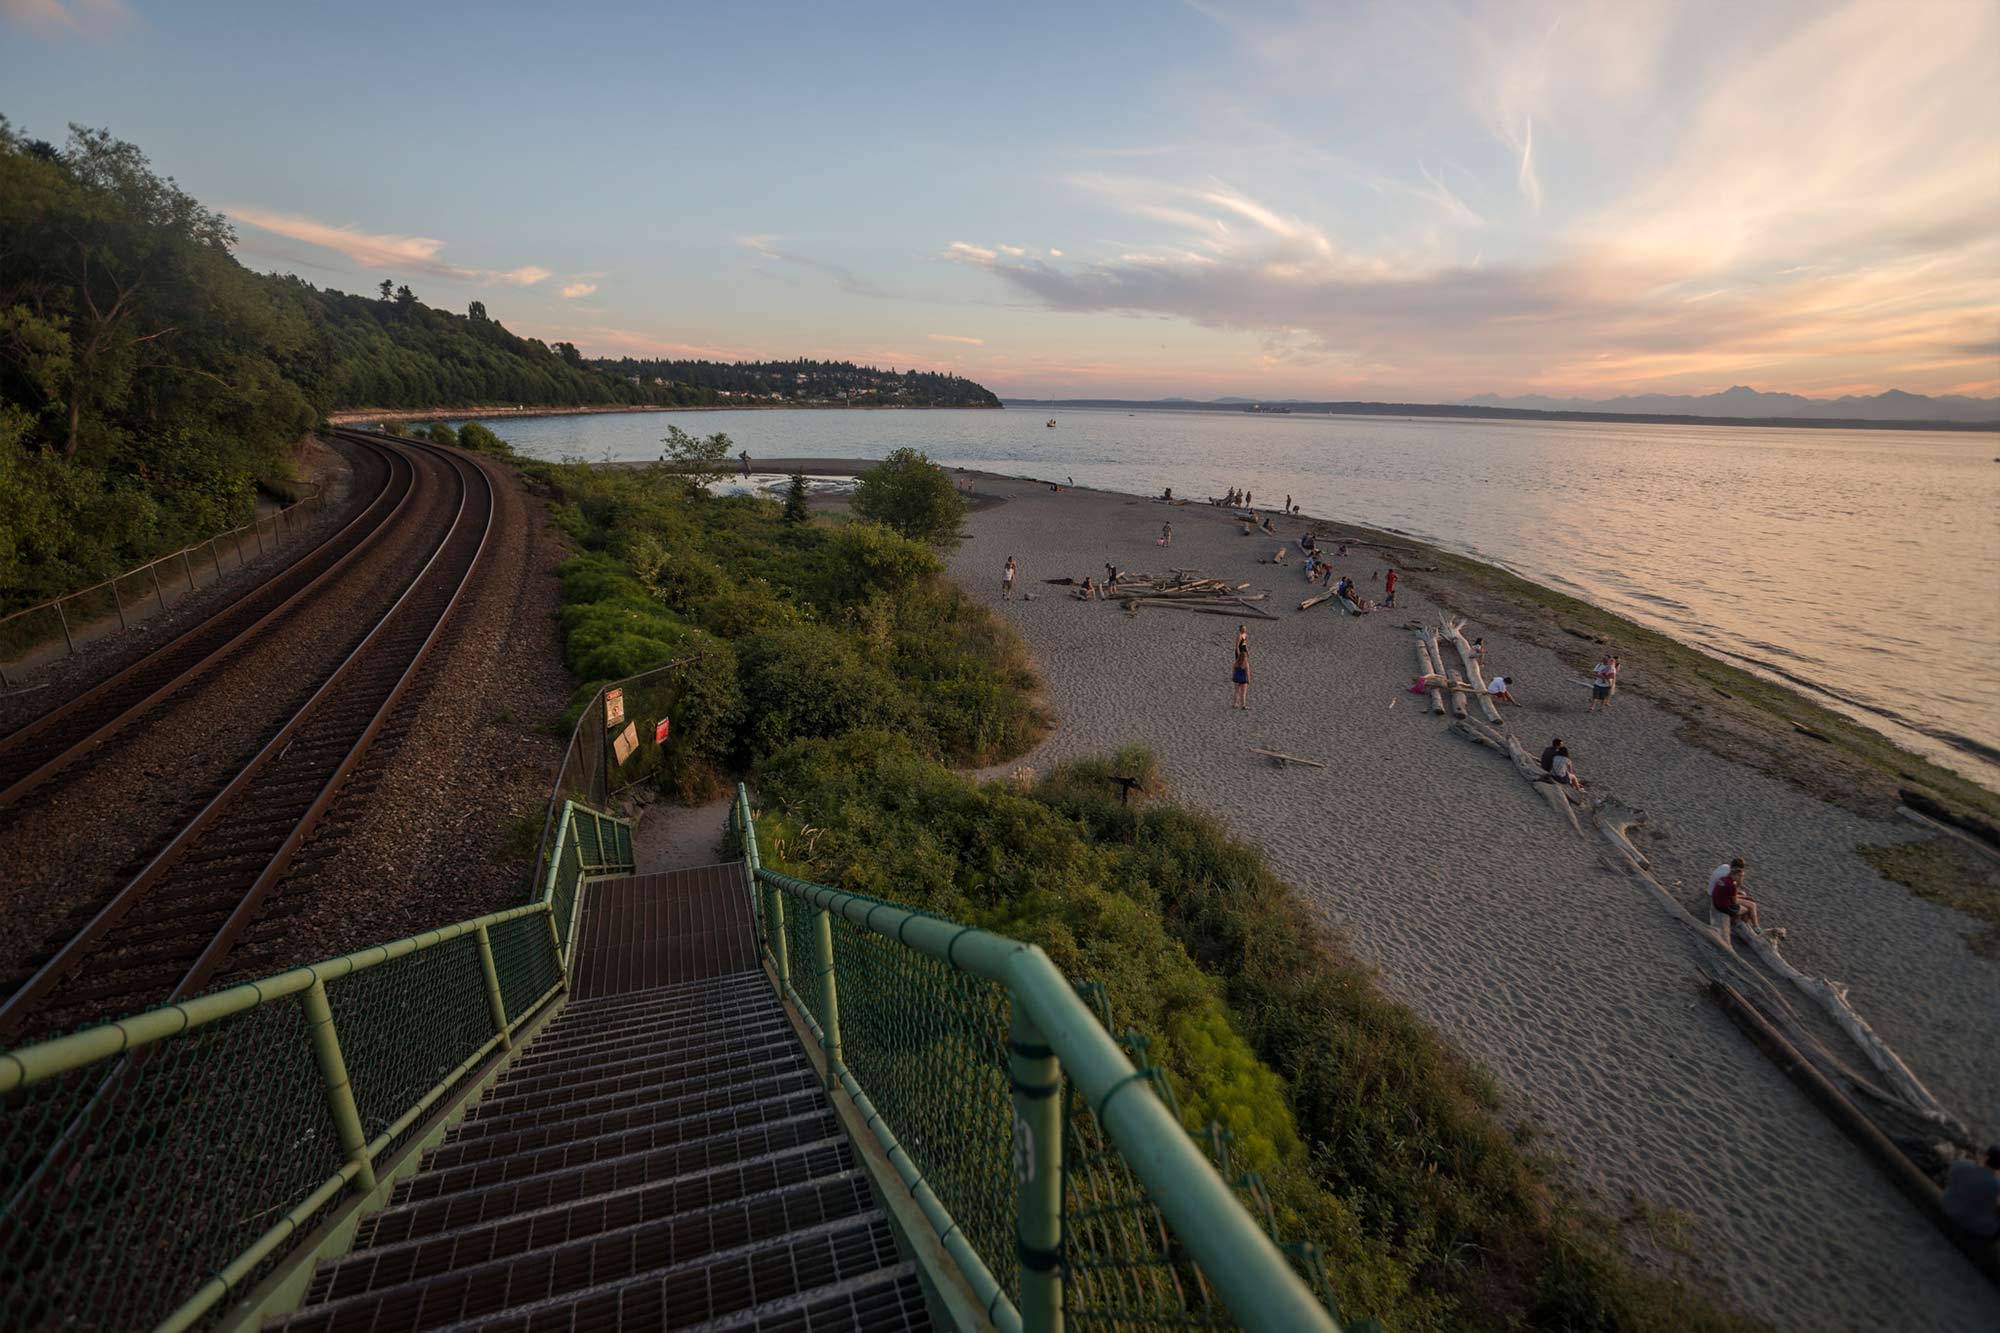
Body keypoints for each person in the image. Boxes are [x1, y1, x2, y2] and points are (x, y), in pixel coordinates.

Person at [1941, 1147, 2000, 1239]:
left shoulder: (1960, 1164)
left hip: (1947, 1207)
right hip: (1976, 1228)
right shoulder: (1997, 1185)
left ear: (1985, 1157)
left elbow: (1948, 1181)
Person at [1709, 858, 1761, 931]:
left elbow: (1729, 895)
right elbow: (1735, 901)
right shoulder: (1732, 884)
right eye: (1740, 876)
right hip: (1722, 906)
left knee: (1746, 899)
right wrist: (1743, 896)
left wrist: (1744, 897)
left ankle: (1747, 924)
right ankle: (1755, 927)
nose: (1741, 878)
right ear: (1735, 874)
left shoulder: (1724, 877)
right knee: (1750, 907)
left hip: (1717, 899)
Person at [1232, 630, 1250, 709]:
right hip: (1243, 678)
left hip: (1236, 677)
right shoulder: (1245, 664)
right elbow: (1247, 672)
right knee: (1243, 693)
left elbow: (1233, 670)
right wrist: (1248, 679)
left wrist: (1233, 676)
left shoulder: (1236, 663)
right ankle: (1243, 705)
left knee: (1236, 692)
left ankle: (1235, 704)